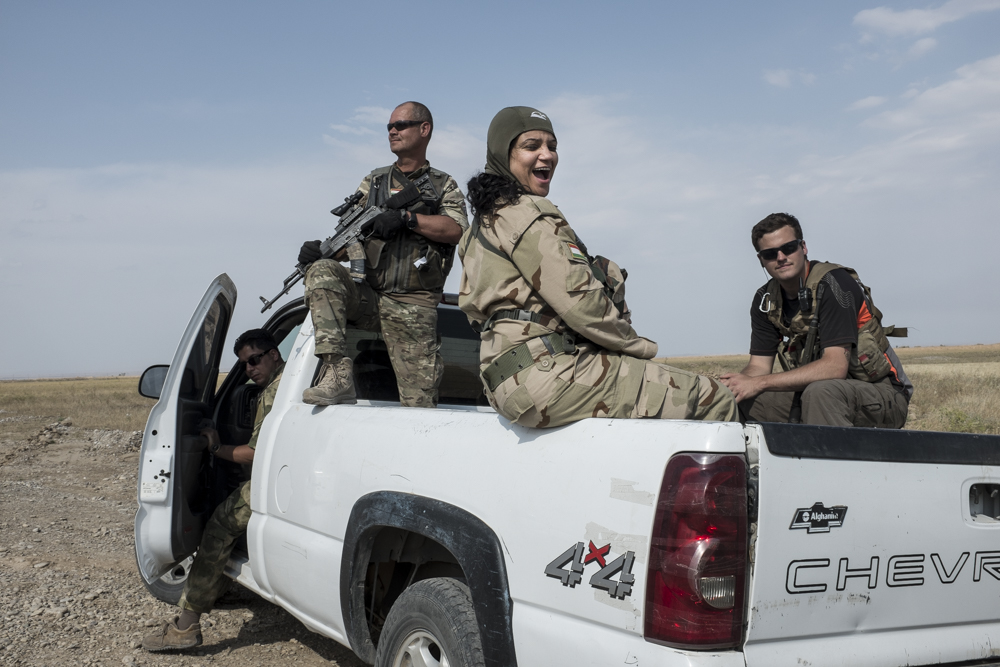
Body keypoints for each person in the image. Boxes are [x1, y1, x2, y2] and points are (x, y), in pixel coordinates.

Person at [458, 106, 737, 428]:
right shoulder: (525, 213)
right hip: (547, 377)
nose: (547, 155)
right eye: (531, 146)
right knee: (715, 398)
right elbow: (582, 303)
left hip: (505, 380)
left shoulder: (482, 224)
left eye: (552, 146)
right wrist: (638, 348)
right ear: (502, 153)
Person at [297, 102, 468, 407]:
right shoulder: (374, 182)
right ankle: (336, 372)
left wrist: (407, 219)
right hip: (370, 298)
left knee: (419, 409)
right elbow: (351, 234)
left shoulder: (443, 185)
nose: (392, 131)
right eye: (389, 126)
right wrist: (320, 255)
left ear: (424, 129)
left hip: (413, 305)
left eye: (400, 125)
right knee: (322, 269)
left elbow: (456, 229)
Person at [143, 329, 284, 651]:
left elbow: (256, 454)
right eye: (244, 364)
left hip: (275, 478)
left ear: (274, 354)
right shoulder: (290, 380)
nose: (249, 369)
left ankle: (185, 628)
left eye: (254, 360)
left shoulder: (276, 391)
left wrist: (215, 445)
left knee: (220, 524)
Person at [720, 213, 912, 427]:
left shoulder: (835, 285)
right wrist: (736, 385)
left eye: (789, 248)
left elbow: (834, 367)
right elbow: (758, 367)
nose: (781, 257)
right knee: (736, 399)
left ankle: (826, 459)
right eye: (771, 253)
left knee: (821, 392)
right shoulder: (765, 300)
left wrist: (760, 383)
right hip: (817, 394)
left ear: (803, 247)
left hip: (882, 394)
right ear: (761, 260)